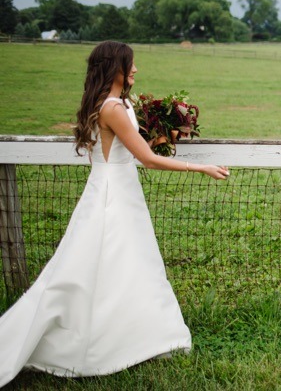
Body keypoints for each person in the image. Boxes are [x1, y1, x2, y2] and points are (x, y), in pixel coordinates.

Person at [0, 41, 230, 386]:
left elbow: (132, 147)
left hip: (120, 187)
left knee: (127, 263)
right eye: (130, 64)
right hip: (112, 194)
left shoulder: (117, 104)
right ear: (115, 68)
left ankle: (138, 334)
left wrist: (164, 135)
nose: (136, 69)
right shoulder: (112, 108)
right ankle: (94, 341)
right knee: (101, 263)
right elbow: (147, 160)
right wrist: (202, 168)